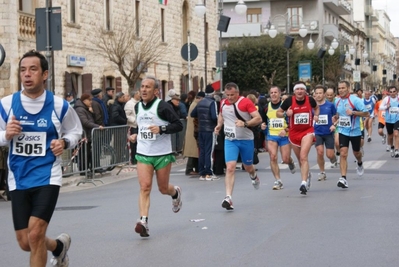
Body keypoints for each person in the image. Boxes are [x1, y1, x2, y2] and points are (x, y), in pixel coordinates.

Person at [0, 50, 82, 266]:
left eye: (33, 69)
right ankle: (59, 247)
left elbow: (75, 131)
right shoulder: (7, 104)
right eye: (23, 70)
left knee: (35, 235)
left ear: (45, 75)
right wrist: (6, 134)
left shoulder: (58, 105)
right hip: (18, 178)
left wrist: (63, 142)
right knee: (26, 241)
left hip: (48, 176)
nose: (27, 74)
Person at [129, 76, 183, 237]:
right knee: (145, 187)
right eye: (142, 87)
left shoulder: (163, 106)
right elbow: (142, 127)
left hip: (162, 154)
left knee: (163, 188)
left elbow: (178, 125)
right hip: (144, 153)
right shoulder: (138, 107)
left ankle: (175, 193)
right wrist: (136, 135)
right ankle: (143, 221)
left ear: (156, 91)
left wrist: (162, 129)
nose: (144, 89)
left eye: (148, 87)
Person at [214, 82, 262, 210]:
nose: (229, 97)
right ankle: (228, 198)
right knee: (230, 167)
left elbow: (258, 118)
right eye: (227, 94)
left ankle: (253, 176)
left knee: (248, 167)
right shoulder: (223, 103)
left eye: (232, 95)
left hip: (246, 139)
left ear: (237, 93)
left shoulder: (245, 102)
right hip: (230, 140)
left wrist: (245, 123)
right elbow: (221, 115)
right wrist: (219, 125)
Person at [277, 81, 319, 195]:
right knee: (300, 159)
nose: (300, 91)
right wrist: (286, 114)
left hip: (308, 131)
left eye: (302, 89)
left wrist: (316, 115)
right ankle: (307, 175)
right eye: (297, 89)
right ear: (294, 91)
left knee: (303, 156)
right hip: (294, 133)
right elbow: (278, 113)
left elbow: (317, 108)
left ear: (305, 91)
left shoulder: (310, 100)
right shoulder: (289, 101)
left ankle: (303, 183)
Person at [334, 81, 369, 188]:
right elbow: (337, 114)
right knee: (343, 153)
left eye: (343, 88)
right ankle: (343, 178)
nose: (341, 90)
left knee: (356, 152)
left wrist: (354, 112)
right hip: (343, 130)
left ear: (348, 88)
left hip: (355, 131)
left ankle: (359, 162)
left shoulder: (355, 100)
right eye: (339, 88)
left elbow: (366, 113)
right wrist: (335, 118)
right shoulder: (337, 101)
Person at [260, 85, 295, 190]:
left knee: (285, 158)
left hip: (285, 135)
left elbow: (292, 122)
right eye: (272, 93)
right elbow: (262, 120)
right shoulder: (266, 107)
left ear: (280, 94)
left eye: (276, 92)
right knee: (273, 157)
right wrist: (262, 125)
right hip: (271, 136)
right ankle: (278, 180)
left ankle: (290, 161)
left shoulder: (286, 106)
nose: (274, 94)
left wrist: (286, 130)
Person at [191, 85, 218, 180]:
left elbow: (192, 114)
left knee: (202, 151)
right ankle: (209, 173)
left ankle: (202, 172)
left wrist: (201, 117)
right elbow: (214, 116)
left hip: (201, 129)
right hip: (210, 129)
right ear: (213, 93)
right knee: (209, 151)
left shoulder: (200, 102)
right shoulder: (212, 102)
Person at [313, 85, 338, 181]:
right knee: (320, 152)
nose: (318, 95)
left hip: (328, 132)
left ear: (324, 94)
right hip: (317, 132)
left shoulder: (330, 105)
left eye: (320, 93)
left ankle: (333, 158)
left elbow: (337, 117)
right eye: (317, 93)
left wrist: (334, 125)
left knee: (329, 155)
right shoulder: (312, 106)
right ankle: (322, 172)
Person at [74, 93, 104, 173]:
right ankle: (83, 170)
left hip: (88, 134)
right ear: (84, 100)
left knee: (88, 152)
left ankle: (88, 168)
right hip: (83, 135)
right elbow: (85, 122)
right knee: (84, 153)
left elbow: (91, 119)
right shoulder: (80, 109)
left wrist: (92, 112)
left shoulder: (86, 109)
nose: (91, 102)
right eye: (89, 100)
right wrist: (97, 126)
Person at [183, 92, 204, 176]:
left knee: (194, 151)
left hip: (193, 130)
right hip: (194, 130)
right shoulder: (196, 105)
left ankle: (196, 168)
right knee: (192, 151)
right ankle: (189, 169)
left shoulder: (194, 104)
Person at [379, 85, 399, 158]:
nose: (392, 93)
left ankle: (397, 150)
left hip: (397, 119)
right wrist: (386, 107)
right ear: (389, 93)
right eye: (391, 92)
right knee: (390, 136)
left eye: (394, 92)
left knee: (396, 134)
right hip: (389, 120)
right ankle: (392, 147)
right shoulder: (387, 99)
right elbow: (380, 107)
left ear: (396, 92)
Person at [125, 90, 141, 165]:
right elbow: (127, 115)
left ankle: (138, 158)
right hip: (133, 126)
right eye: (138, 93)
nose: (140, 95)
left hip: (139, 125)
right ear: (134, 95)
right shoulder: (129, 104)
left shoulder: (140, 103)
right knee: (133, 143)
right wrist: (134, 120)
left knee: (139, 143)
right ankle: (133, 159)